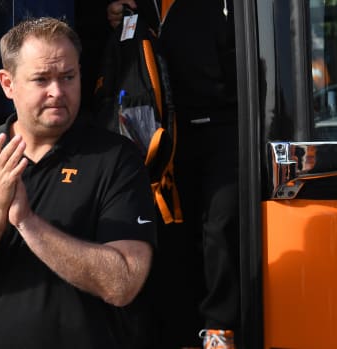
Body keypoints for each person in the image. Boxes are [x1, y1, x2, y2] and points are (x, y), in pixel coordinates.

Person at [0, 17, 157, 349]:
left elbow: (123, 283)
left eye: (68, 77)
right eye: (41, 79)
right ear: (8, 83)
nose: (57, 92)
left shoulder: (116, 158)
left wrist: (27, 222)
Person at [106, 1, 239, 349]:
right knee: (167, 229)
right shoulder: (134, 6)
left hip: (220, 127)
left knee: (219, 223)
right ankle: (179, 330)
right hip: (158, 130)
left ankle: (219, 328)